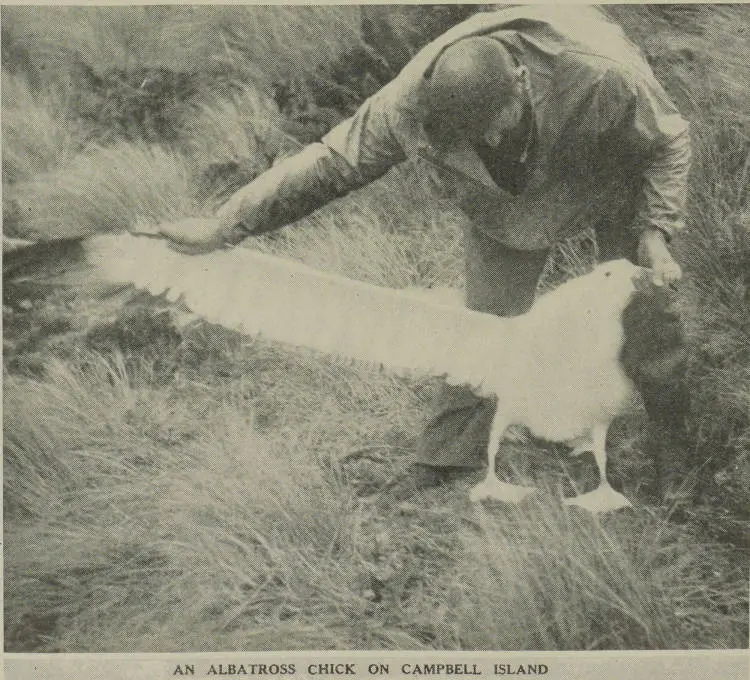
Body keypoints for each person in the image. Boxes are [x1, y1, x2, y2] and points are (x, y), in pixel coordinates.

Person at [159, 6, 690, 488]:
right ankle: (446, 458)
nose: (491, 143)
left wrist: (656, 230)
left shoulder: (600, 72)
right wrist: (226, 225)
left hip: (609, 170)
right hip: (503, 209)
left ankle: (673, 440)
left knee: (642, 312)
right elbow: (332, 161)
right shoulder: (412, 104)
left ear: (522, 83)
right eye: (473, 137)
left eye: (496, 125)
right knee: (483, 324)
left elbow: (668, 141)